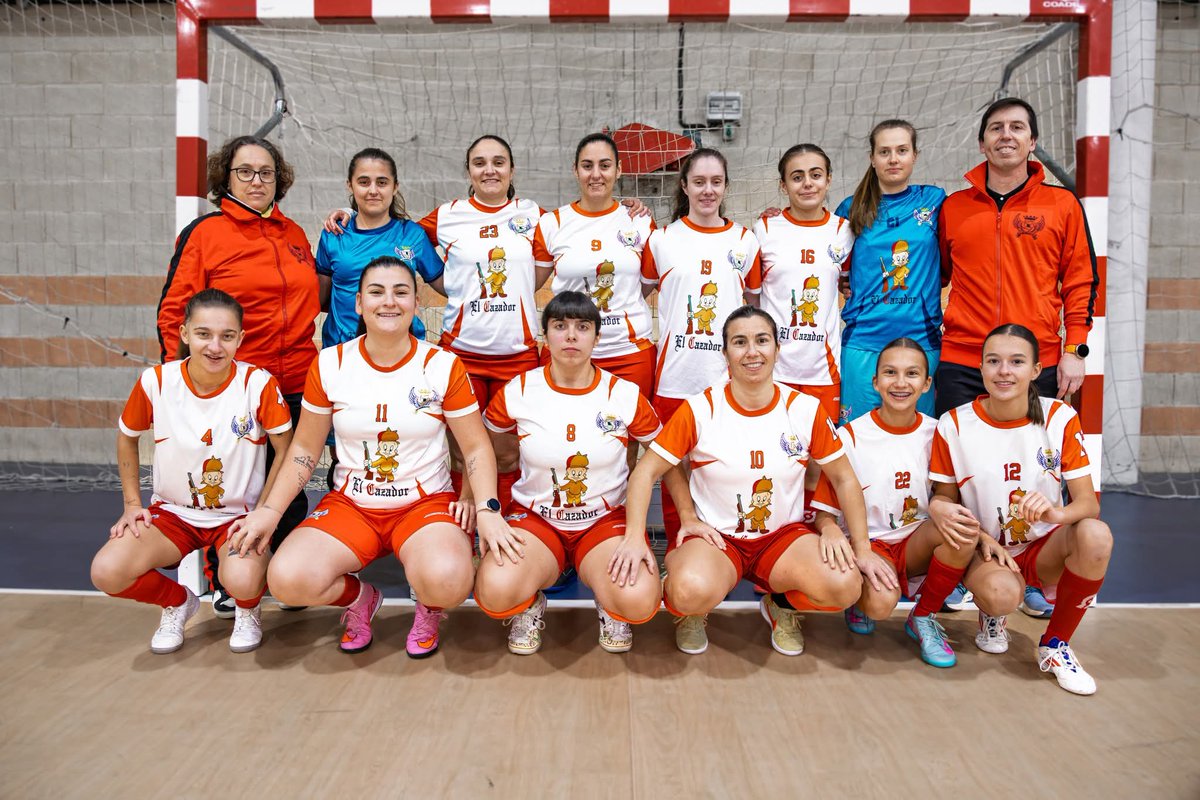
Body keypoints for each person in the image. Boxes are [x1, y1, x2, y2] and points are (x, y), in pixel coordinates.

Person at [232, 257, 521, 657]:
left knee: (449, 580)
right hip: (352, 505)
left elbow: (475, 447)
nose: (389, 301)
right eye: (376, 292)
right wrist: (270, 511)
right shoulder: (331, 363)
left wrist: (487, 508)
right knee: (287, 579)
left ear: (416, 303)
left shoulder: (441, 365)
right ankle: (360, 599)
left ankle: (430, 606)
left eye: (401, 292)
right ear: (358, 303)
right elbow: (303, 450)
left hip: (424, 504)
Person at [617, 306, 866, 656]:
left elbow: (844, 478)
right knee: (688, 590)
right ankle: (691, 612)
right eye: (739, 342)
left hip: (781, 539)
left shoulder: (805, 409)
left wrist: (860, 545)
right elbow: (646, 472)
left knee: (846, 585)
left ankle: (781, 606)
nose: (752, 351)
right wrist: (635, 536)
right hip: (716, 539)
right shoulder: (701, 408)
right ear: (725, 353)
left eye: (762, 340)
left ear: (777, 349)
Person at [157, 134, 318, 614]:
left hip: (295, 383)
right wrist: (182, 385)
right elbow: (174, 312)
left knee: (288, 484)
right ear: (225, 177)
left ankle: (281, 575)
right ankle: (229, 579)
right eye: (244, 171)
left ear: (278, 179)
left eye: (266, 172)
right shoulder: (206, 233)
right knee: (232, 488)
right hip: (234, 389)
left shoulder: (294, 234)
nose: (256, 181)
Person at [90, 290, 293, 654]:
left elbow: (286, 450)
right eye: (203, 334)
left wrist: (264, 510)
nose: (215, 346)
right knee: (107, 570)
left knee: (241, 579)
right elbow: (126, 437)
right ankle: (178, 603)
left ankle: (248, 610)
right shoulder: (156, 381)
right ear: (184, 333)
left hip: (237, 516)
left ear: (240, 338)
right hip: (172, 514)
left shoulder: (257, 384)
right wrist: (132, 504)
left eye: (226, 336)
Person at [929, 323, 1112, 695]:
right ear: (981, 367)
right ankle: (990, 611)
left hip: (1043, 548)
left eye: (1016, 362)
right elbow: (943, 498)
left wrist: (1055, 515)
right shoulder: (954, 423)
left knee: (1096, 535)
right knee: (1001, 596)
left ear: (1035, 370)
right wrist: (959, 522)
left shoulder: (1059, 417)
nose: (1004, 371)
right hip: (986, 551)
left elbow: (1087, 503)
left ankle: (1055, 645)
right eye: (993, 361)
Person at [476, 291, 663, 654]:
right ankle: (529, 604)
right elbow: (484, 450)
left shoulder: (623, 394)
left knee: (638, 599)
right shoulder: (520, 390)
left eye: (583, 327)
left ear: (597, 336)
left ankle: (611, 605)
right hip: (537, 520)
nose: (572, 336)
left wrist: (648, 528)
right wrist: (486, 507)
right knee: (496, 590)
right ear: (545, 335)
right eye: (560, 326)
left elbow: (663, 458)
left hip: (603, 521)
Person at [811, 338, 976, 668]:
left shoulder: (939, 432)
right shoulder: (850, 436)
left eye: (912, 373)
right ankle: (860, 596)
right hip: (869, 545)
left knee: (963, 531)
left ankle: (924, 616)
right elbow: (824, 514)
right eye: (890, 373)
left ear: (927, 384)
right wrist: (829, 529)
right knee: (880, 605)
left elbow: (949, 500)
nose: (900, 383)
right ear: (875, 382)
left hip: (915, 544)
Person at [936, 98, 1099, 415]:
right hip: (963, 363)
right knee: (956, 449)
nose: (1006, 135)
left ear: (1032, 142)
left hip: (1035, 362)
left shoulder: (1062, 205)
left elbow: (1081, 282)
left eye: (1017, 127)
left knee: (1032, 450)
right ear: (982, 143)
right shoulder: (953, 207)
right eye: (996, 128)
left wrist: (1074, 350)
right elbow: (931, 277)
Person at [640, 147, 762, 538]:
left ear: (726, 187)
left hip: (725, 381)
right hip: (675, 377)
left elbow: (754, 305)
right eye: (699, 182)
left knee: (721, 467)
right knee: (673, 468)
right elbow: (636, 294)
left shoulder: (745, 241)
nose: (708, 190)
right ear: (684, 186)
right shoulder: (661, 240)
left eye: (716, 182)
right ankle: (680, 548)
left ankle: (723, 546)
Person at [833, 119, 946, 423]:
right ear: (872, 158)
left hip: (920, 339)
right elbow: (829, 265)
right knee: (857, 434)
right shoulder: (850, 209)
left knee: (917, 436)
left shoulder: (934, 201)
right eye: (884, 152)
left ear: (914, 155)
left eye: (901, 150)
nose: (893, 159)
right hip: (865, 340)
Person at [532, 133, 658, 399]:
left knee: (629, 425)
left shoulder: (640, 221)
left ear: (619, 170)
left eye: (605, 165)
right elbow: (527, 284)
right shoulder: (552, 223)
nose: (596, 174)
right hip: (568, 350)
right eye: (587, 166)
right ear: (575, 170)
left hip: (628, 351)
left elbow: (645, 285)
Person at [753, 143, 854, 424]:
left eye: (816, 175)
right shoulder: (764, 229)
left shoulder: (844, 231)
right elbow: (750, 294)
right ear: (783, 185)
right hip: (774, 369)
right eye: (797, 177)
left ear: (828, 180)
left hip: (823, 370)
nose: (807, 183)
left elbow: (847, 283)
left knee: (820, 448)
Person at [316, 147, 443, 348]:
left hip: (402, 349)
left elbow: (447, 285)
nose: (373, 190)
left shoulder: (412, 234)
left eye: (382, 182)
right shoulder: (334, 233)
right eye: (364, 182)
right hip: (345, 350)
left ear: (395, 187)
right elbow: (319, 298)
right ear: (350, 185)